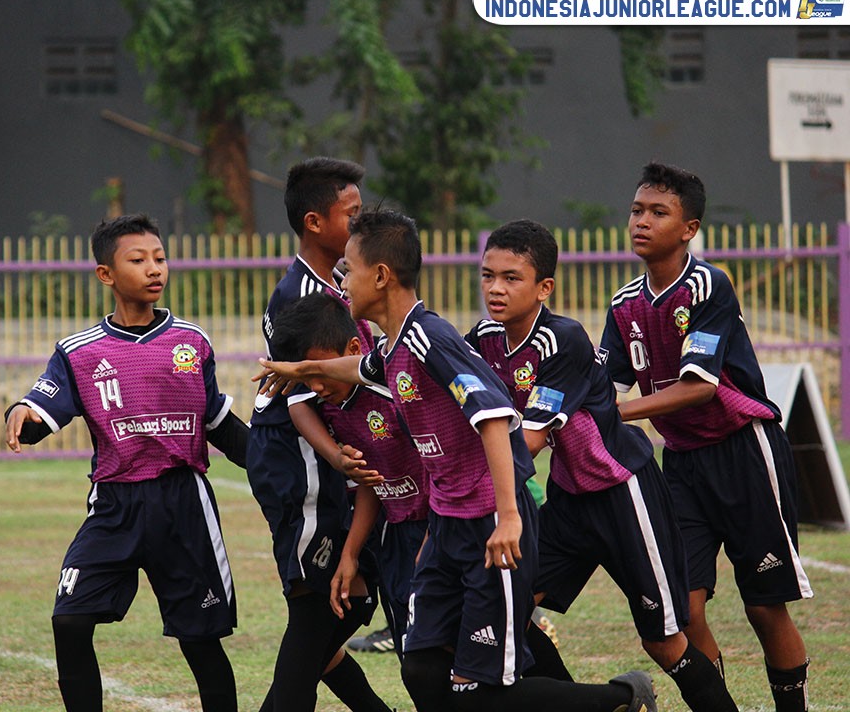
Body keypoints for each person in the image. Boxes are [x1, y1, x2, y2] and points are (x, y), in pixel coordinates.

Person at [257, 209, 658, 712]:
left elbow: (493, 418)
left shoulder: (430, 338)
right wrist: (307, 366)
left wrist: (509, 514)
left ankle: (622, 698)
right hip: (446, 527)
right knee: (421, 666)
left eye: (349, 270)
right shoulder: (395, 345)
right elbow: (360, 368)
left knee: (477, 688)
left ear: (380, 276)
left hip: (489, 522)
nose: (341, 281)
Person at [467, 219, 737, 710]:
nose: (495, 289)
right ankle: (605, 704)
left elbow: (530, 441)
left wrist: (465, 483)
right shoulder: (483, 338)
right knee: (513, 611)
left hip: (623, 493)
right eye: (487, 276)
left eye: (511, 277)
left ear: (544, 287)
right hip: (570, 500)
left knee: (664, 642)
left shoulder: (561, 339)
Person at [3, 214, 249, 712]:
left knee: (200, 641)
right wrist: (19, 411)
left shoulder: (192, 341)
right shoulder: (79, 352)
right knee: (69, 621)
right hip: (115, 505)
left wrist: (276, 466)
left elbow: (217, 419)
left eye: (159, 258)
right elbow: (39, 414)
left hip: (183, 505)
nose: (154, 269)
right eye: (138, 260)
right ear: (106, 274)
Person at [602, 162, 813, 712]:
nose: (641, 222)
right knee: (685, 610)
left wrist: (619, 413)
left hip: (744, 450)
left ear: (689, 228)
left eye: (658, 212)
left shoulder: (707, 284)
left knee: (764, 606)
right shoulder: (623, 305)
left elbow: (698, 388)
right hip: (683, 464)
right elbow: (597, 384)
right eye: (636, 210)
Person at [248, 157, 390, 712]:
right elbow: (302, 395)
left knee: (345, 603)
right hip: (301, 462)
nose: (359, 226)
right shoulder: (299, 294)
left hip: (321, 463)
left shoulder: (338, 280)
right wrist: (339, 460)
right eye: (350, 216)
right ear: (314, 222)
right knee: (321, 605)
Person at [267, 291, 429, 665]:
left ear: (354, 348)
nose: (317, 385)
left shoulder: (394, 383)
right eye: (307, 377)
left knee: (460, 661)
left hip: (445, 524)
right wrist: (350, 554)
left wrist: (437, 537)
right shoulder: (332, 407)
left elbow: (446, 464)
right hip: (396, 535)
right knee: (416, 663)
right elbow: (372, 480)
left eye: (320, 371)